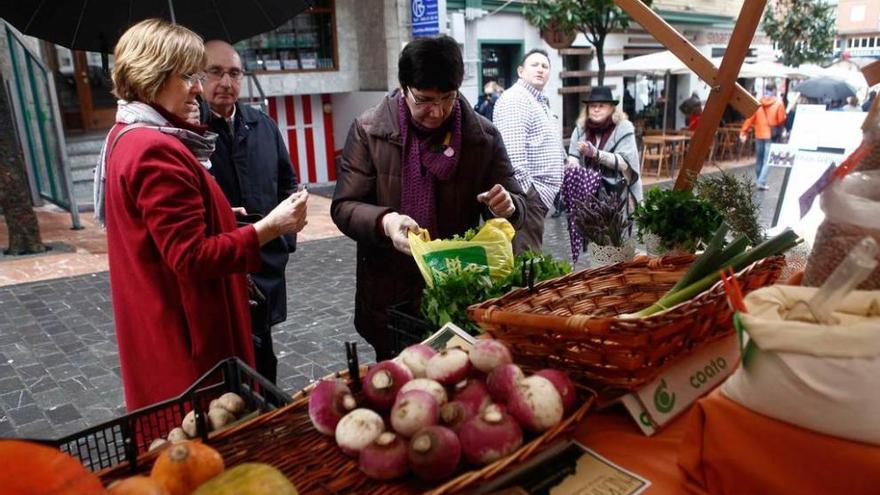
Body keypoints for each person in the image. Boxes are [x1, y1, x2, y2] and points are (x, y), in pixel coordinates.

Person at [95, 19, 308, 411]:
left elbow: (160, 225)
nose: (198, 87)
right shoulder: (155, 149)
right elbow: (189, 257)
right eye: (189, 76)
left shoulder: (128, 134)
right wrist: (270, 227)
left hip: (162, 322)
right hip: (189, 337)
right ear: (151, 76)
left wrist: (221, 214)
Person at [331, 35, 527, 360]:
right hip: (389, 291)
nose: (436, 112)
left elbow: (518, 205)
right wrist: (386, 221)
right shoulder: (369, 131)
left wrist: (508, 206)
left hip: (455, 288)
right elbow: (344, 207)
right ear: (404, 87)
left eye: (447, 99)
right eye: (423, 100)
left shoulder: (482, 137)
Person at [200, 40, 298, 384]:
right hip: (220, 269)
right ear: (197, 76)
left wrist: (284, 241)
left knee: (264, 359)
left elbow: (289, 183)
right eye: (215, 72)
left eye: (234, 73)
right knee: (228, 369)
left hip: (265, 264)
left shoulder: (262, 125)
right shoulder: (189, 135)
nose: (226, 82)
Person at [493, 48, 564, 254]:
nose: (540, 69)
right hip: (527, 198)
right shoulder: (517, 99)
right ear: (521, 71)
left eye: (545, 66)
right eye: (534, 65)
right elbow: (512, 157)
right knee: (526, 265)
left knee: (531, 260)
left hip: (537, 198)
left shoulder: (539, 100)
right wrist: (528, 196)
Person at [565, 86, 642, 239]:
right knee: (595, 241)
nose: (596, 109)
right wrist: (571, 165)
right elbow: (573, 156)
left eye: (601, 106)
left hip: (616, 194)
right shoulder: (580, 129)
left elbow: (625, 163)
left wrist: (596, 154)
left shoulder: (623, 128)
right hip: (589, 196)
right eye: (593, 106)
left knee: (616, 240)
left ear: (612, 108)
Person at [740, 82, 786, 191]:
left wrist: (743, 131)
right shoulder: (779, 104)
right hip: (771, 135)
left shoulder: (757, 104)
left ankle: (759, 179)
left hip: (759, 134)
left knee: (759, 159)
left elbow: (750, 118)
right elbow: (781, 120)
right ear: (774, 90)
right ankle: (761, 182)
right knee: (767, 160)